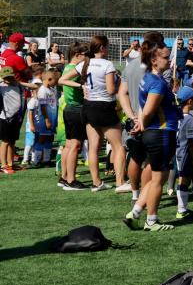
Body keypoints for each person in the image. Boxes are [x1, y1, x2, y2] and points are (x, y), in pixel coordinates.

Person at [123, 41, 181, 232]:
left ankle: (135, 212)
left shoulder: (148, 78)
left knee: (154, 177)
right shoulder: (157, 82)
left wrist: (141, 124)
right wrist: (142, 123)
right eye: (166, 57)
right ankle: (151, 220)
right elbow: (148, 110)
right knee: (158, 179)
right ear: (154, 60)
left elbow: (144, 109)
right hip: (161, 134)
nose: (169, 60)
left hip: (154, 133)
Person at [79, 35, 125, 191]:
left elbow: (63, 79)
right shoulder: (107, 64)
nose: (109, 48)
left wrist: (81, 87)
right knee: (118, 146)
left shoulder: (85, 63)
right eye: (108, 46)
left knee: (93, 147)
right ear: (102, 48)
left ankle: (96, 182)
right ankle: (120, 182)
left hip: (88, 106)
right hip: (104, 106)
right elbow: (111, 90)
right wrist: (120, 84)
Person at [58, 42, 89, 189]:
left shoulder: (67, 67)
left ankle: (64, 177)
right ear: (77, 55)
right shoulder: (74, 69)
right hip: (76, 109)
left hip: (69, 109)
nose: (87, 58)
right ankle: (71, 180)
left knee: (69, 145)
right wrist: (81, 85)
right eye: (85, 55)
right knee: (75, 145)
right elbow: (64, 81)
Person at [173, 86, 193, 218]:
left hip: (177, 151)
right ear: (189, 101)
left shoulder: (176, 116)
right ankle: (181, 210)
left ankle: (183, 208)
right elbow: (191, 141)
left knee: (183, 179)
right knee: (184, 180)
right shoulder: (189, 119)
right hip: (185, 152)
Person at [0, 67, 25, 174]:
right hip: (5, 118)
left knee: (12, 141)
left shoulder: (18, 85)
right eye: (6, 78)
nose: (8, 80)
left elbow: (35, 86)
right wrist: (2, 80)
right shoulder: (1, 86)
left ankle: (10, 164)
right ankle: (3, 165)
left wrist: (18, 82)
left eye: (10, 77)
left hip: (16, 117)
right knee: (5, 141)